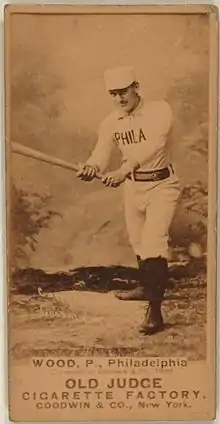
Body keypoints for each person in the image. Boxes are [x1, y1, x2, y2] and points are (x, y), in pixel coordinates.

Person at [76, 66, 181, 335]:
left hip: (162, 184)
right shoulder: (111, 121)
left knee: (154, 241)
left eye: (123, 92)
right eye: (114, 94)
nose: (120, 99)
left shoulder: (159, 110)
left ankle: (155, 313)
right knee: (138, 241)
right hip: (134, 189)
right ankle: (146, 287)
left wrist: (123, 170)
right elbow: (101, 152)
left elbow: (154, 145)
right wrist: (91, 167)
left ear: (136, 86)